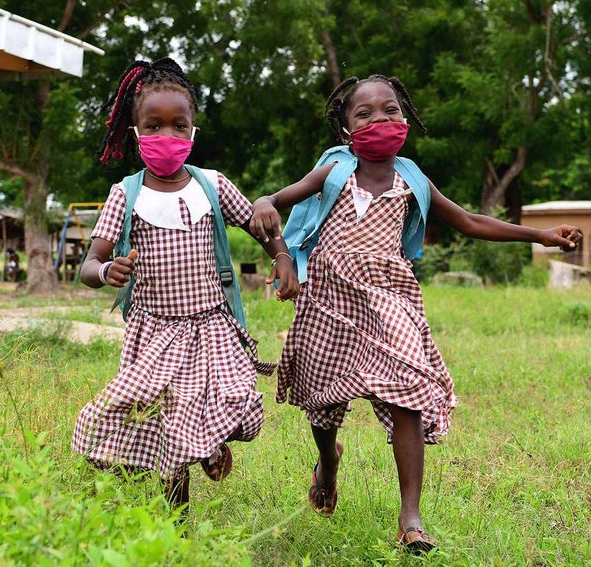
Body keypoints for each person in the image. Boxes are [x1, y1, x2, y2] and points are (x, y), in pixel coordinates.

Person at [249, 74, 583, 554]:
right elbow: (273, 204)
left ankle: (411, 518)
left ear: (405, 120)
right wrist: (274, 234)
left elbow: (468, 221)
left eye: (390, 110)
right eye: (364, 114)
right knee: (321, 405)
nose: (379, 120)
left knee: (408, 391)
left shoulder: (412, 178)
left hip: (390, 298)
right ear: (346, 130)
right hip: (329, 298)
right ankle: (328, 462)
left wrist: (540, 235)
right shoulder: (333, 170)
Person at [72, 57, 300, 512]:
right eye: (153, 126)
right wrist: (106, 271)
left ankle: (203, 455)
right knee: (135, 424)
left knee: (228, 399)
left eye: (179, 126)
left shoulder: (211, 187)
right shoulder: (126, 194)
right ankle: (180, 509)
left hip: (212, 326)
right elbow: (89, 263)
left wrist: (281, 254)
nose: (167, 137)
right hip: (154, 331)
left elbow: (260, 225)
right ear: (136, 134)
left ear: (193, 131)